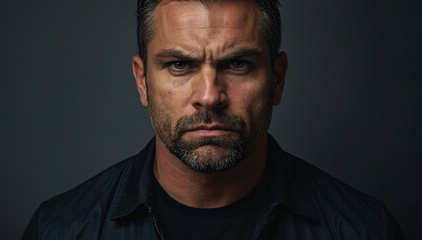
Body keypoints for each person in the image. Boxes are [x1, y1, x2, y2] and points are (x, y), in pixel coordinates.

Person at [22, 0, 405, 239]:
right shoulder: (60, 229)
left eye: (238, 64)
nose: (209, 95)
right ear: (142, 82)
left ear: (278, 78)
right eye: (179, 65)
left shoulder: (365, 230)